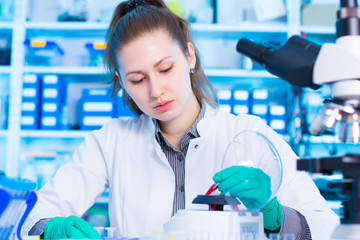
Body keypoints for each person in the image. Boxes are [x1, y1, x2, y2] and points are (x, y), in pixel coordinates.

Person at [22, 0, 339, 239]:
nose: (156, 90)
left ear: (189, 56)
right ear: (122, 82)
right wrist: (50, 227)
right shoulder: (109, 141)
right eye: (137, 79)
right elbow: (31, 214)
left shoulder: (248, 133)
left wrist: (273, 214)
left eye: (165, 69)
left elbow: (327, 226)